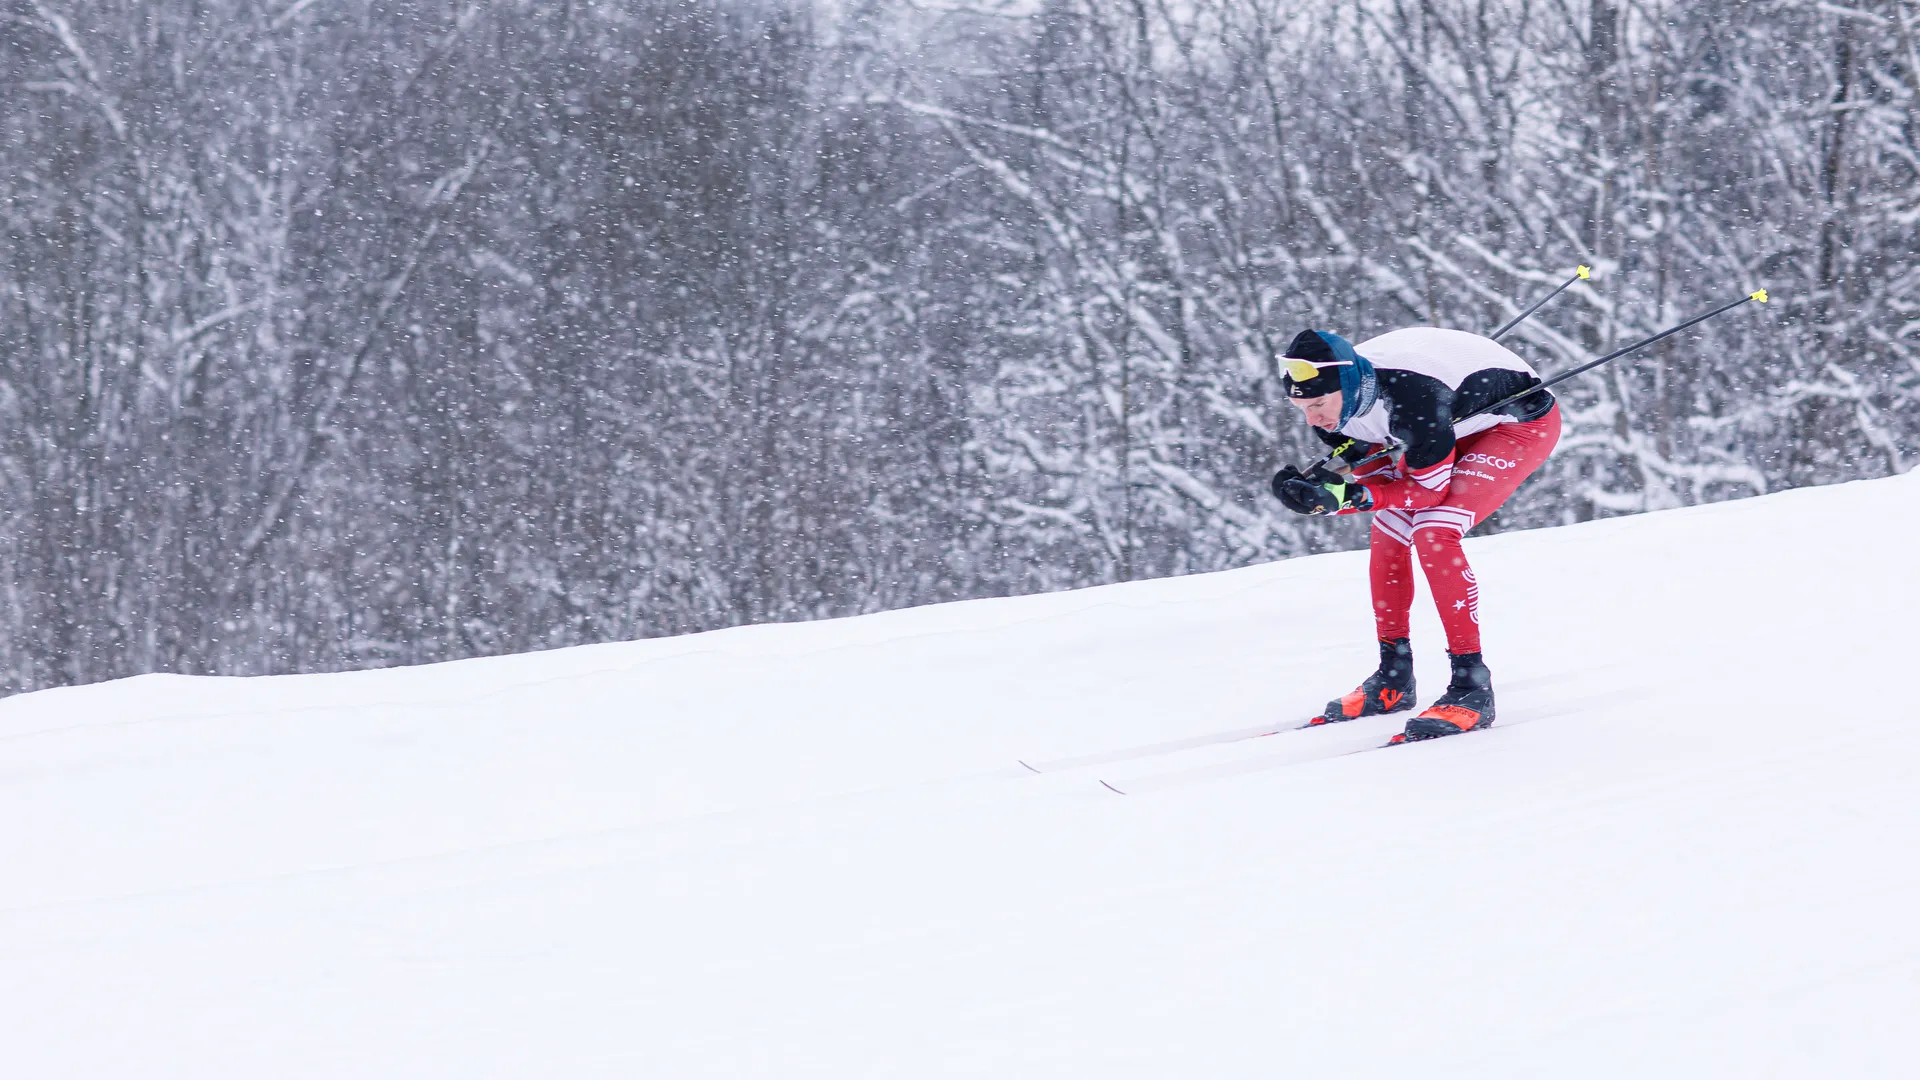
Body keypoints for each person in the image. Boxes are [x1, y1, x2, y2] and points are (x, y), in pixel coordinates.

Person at [1269, 326, 1561, 743]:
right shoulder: (1334, 412)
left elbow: (1428, 491)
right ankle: (1394, 676)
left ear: (1347, 386)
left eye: (1317, 404)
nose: (1312, 418)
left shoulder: (1413, 397)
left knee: (1434, 530)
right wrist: (1328, 491)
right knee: (1389, 529)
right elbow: (1381, 485)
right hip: (1447, 424)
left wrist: (1347, 498)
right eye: (1300, 407)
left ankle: (1472, 687)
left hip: (1514, 425)